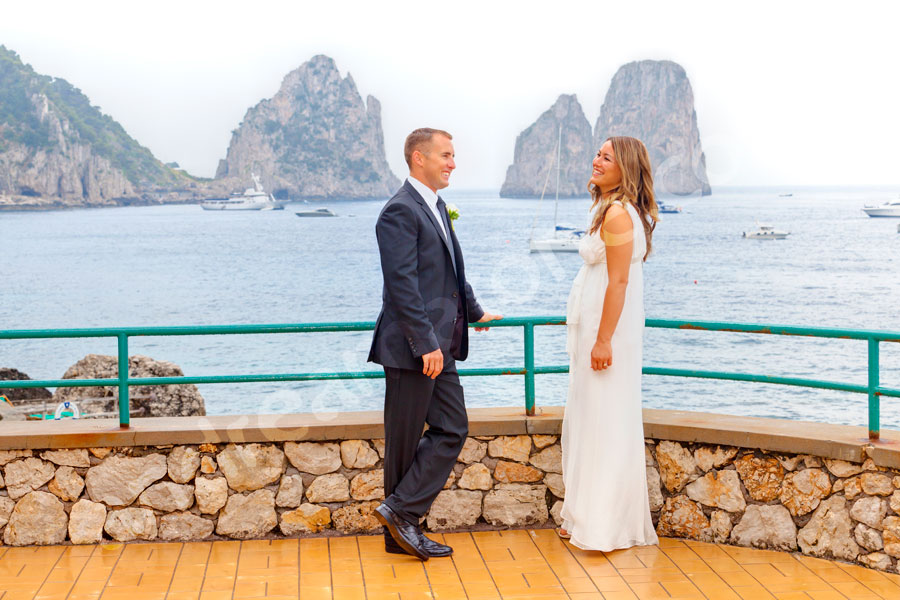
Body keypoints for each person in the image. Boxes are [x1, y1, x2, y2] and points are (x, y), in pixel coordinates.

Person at [368, 128, 501, 560]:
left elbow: (450, 272)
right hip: (414, 348)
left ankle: (401, 512)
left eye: (453, 156)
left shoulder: (437, 206)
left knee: (452, 427)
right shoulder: (399, 211)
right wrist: (425, 343)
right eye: (445, 155)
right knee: (404, 443)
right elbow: (402, 285)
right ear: (418, 158)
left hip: (438, 344)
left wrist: (474, 310)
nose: (452, 163)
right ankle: (400, 531)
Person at [559, 136, 660, 551]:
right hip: (602, 332)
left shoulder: (618, 214)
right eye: (597, 153)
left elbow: (618, 282)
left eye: (607, 157)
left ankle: (600, 523)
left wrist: (602, 341)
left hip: (607, 336)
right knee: (596, 418)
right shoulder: (615, 209)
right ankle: (586, 514)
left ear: (627, 168)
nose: (597, 160)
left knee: (602, 421)